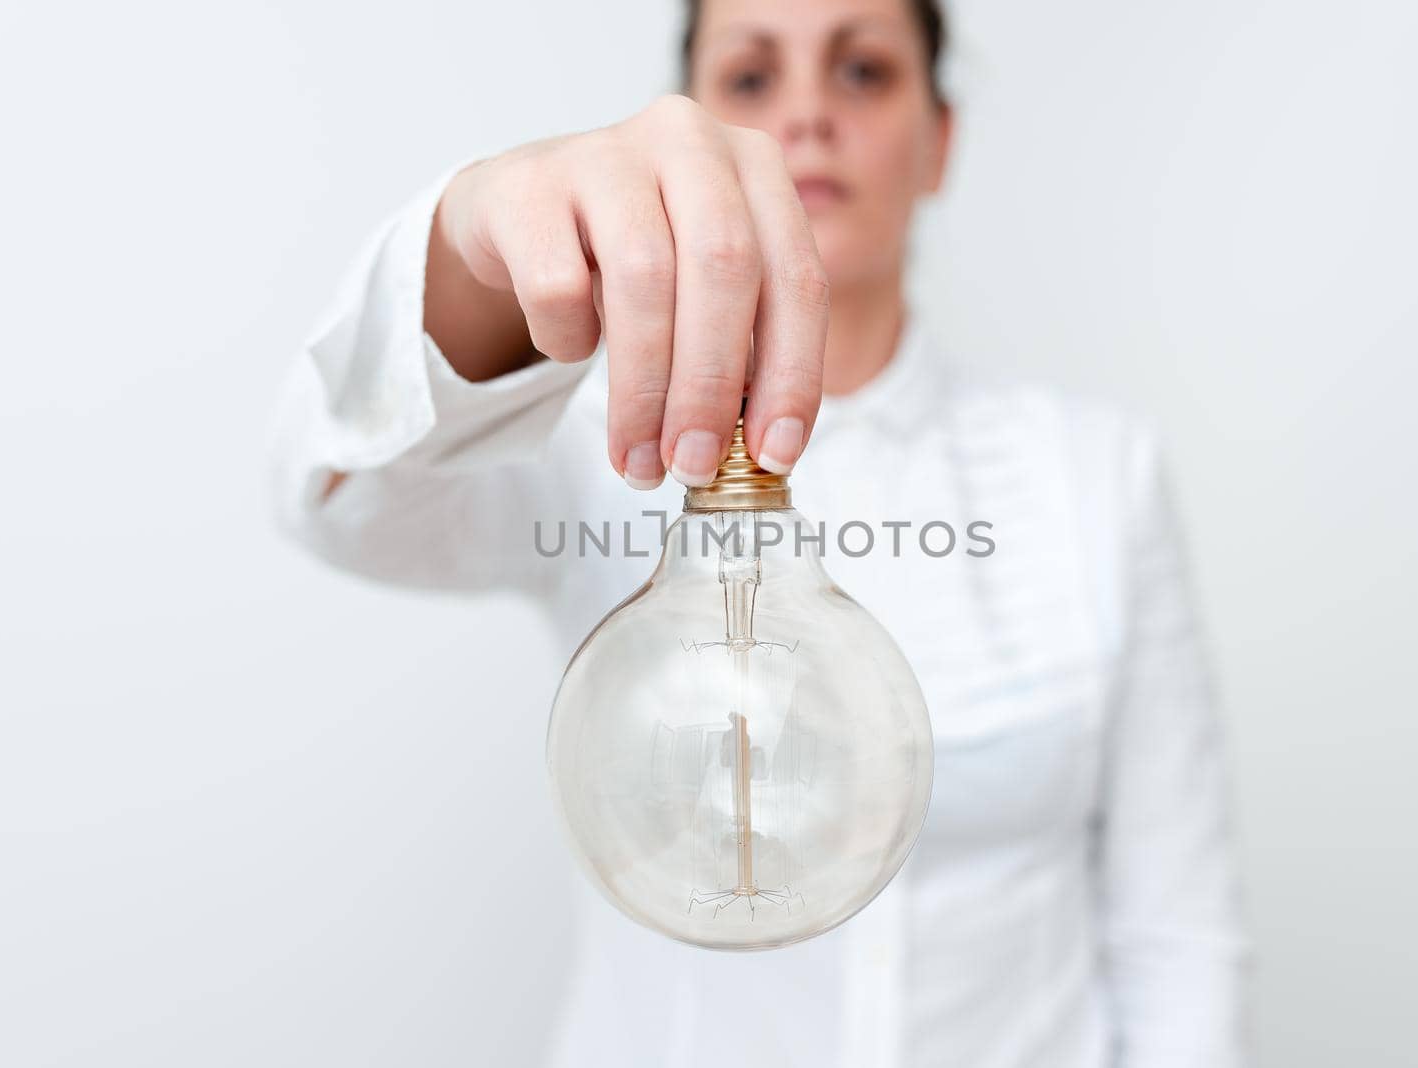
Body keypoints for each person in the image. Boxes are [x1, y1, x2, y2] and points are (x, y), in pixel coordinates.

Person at [265, 0, 1250, 1064]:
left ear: (940, 140)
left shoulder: (1091, 474)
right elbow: (336, 501)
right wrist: (474, 237)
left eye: (864, 71)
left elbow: (1175, 932)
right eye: (750, 78)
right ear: (687, 132)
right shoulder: (583, 440)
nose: (809, 115)